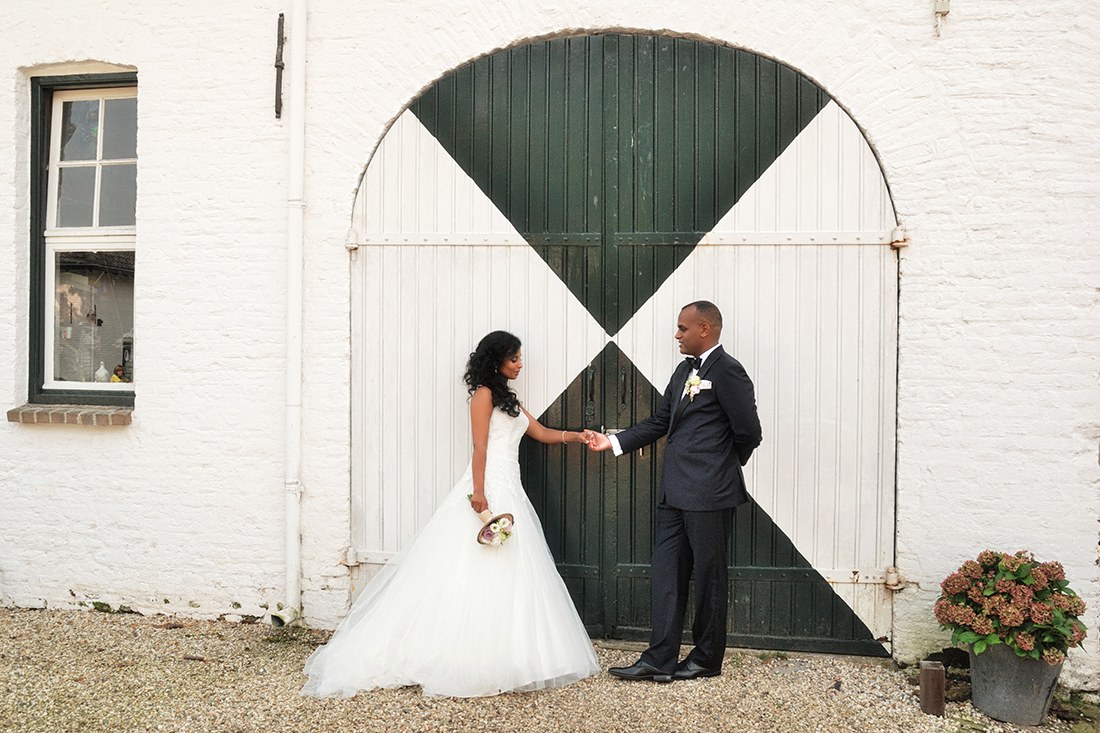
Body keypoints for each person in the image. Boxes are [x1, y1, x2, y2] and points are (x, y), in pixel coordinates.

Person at [301, 331, 600, 698]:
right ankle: (459, 654)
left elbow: (539, 432)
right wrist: (479, 493)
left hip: (511, 489)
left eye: (521, 358)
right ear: (497, 361)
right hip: (488, 487)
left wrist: (578, 436)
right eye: (515, 358)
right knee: (475, 564)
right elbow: (479, 447)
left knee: (511, 566)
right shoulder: (484, 395)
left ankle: (512, 654)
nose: (521, 364)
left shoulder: (509, 399)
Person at [585, 301, 761, 682]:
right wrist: (613, 442)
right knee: (667, 573)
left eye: (683, 328)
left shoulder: (728, 371)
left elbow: (749, 431)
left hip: (711, 493)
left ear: (705, 329)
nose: (677, 335)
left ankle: (706, 659)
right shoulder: (685, 370)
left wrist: (722, 466)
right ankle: (658, 658)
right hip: (675, 491)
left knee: (709, 577)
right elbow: (662, 420)